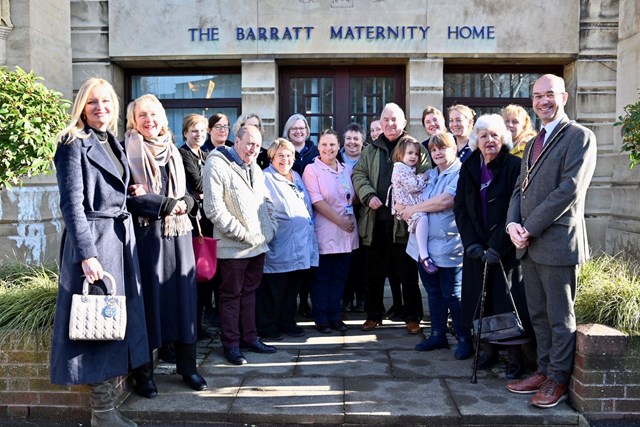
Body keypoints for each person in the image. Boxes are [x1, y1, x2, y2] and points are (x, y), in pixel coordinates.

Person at [50, 78, 149, 427]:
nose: (100, 108)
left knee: (112, 322)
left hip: (118, 241)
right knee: (96, 323)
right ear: (81, 105)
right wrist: (87, 254)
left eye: (106, 101)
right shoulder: (72, 143)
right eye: (92, 102)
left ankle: (106, 410)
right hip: (94, 243)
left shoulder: (113, 142)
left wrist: (126, 193)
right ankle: (102, 412)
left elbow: (110, 187)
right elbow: (72, 205)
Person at [505, 74, 597, 408]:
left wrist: (529, 226)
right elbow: (520, 188)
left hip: (557, 243)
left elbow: (569, 191)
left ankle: (557, 379)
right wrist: (513, 224)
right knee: (539, 315)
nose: (543, 101)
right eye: (537, 96)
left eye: (550, 95)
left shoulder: (579, 137)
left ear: (564, 97)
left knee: (560, 317)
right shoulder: (532, 142)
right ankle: (543, 370)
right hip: (528, 243)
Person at [124, 94, 207, 397]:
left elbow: (189, 195)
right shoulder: (128, 151)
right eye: (142, 115)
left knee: (184, 302)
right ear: (134, 121)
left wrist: (181, 202)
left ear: (162, 118)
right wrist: (168, 203)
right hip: (148, 240)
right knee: (149, 306)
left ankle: (189, 368)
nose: (149, 121)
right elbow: (130, 199)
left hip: (179, 236)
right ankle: (144, 374)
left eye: (154, 114)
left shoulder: (173, 150)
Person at [454, 114, 531, 380]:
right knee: (479, 301)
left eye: (494, 136)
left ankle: (514, 356)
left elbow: (518, 208)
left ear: (504, 139)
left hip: (505, 251)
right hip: (476, 249)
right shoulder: (469, 166)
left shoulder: (514, 166)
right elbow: (461, 207)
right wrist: (472, 243)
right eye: (484, 135)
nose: (489, 141)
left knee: (507, 303)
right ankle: (486, 351)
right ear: (476, 139)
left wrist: (498, 246)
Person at [202, 125, 279, 365]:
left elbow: (265, 200)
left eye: (257, 145)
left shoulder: (255, 166)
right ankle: (232, 345)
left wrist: (270, 227)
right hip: (233, 247)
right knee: (230, 297)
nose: (253, 149)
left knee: (249, 294)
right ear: (237, 141)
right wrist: (241, 234)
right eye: (249, 143)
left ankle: (250, 338)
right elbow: (213, 209)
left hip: (258, 245)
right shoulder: (216, 163)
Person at [396, 131, 473, 360]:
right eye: (434, 149)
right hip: (423, 249)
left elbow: (445, 201)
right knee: (432, 292)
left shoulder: (460, 173)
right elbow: (409, 195)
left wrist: (413, 210)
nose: (438, 153)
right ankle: (438, 334)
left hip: (448, 247)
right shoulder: (429, 174)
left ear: (454, 149)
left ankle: (464, 338)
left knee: (453, 294)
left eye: (443, 148)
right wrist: (402, 206)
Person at [352, 103, 427, 335]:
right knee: (373, 273)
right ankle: (374, 315)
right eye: (386, 120)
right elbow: (358, 174)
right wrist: (368, 195)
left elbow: (425, 175)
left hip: (404, 223)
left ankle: (412, 316)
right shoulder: (371, 149)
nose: (390, 124)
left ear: (404, 122)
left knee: (407, 274)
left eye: (395, 120)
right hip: (375, 221)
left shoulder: (414, 146)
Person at [258, 138, 319, 340]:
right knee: (274, 289)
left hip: (301, 243)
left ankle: (287, 322)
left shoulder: (297, 176)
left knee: (292, 288)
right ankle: (268, 326)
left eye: (289, 155)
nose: (285, 159)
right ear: (272, 157)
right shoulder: (266, 178)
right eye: (280, 156)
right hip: (280, 243)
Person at [302, 129, 359, 333]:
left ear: (338, 147)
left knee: (339, 278)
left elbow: (353, 196)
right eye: (325, 144)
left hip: (347, 233)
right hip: (325, 232)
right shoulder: (311, 169)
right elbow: (317, 201)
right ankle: (321, 318)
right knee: (321, 279)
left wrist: (347, 219)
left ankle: (335, 316)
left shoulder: (346, 170)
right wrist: (340, 221)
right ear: (318, 147)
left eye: (333, 145)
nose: (329, 148)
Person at [178, 113, 218, 340]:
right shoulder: (183, 154)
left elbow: (210, 186)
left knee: (206, 275)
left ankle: (200, 324)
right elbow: (199, 183)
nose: (198, 135)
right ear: (185, 132)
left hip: (207, 220)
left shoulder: (206, 154)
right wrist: (206, 189)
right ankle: (192, 326)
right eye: (194, 130)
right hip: (193, 223)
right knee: (196, 275)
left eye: (202, 131)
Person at [282, 113, 319, 317]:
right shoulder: (284, 152)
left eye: (301, 128)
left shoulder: (315, 151)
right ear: (288, 131)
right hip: (290, 215)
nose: (298, 131)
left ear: (307, 130)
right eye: (294, 128)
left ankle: (306, 300)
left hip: (315, 212)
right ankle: (291, 302)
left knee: (310, 259)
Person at [389, 136, 436, 274]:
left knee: (423, 221)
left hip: (410, 204)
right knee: (422, 219)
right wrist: (423, 177)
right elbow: (412, 186)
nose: (413, 157)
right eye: (410, 153)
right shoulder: (400, 169)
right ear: (400, 154)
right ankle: (424, 255)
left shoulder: (409, 169)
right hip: (406, 205)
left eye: (416, 154)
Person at [338, 123, 367, 312]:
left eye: (356, 139)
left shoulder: (368, 157)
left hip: (365, 213)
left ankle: (362, 298)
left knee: (362, 260)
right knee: (345, 258)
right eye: (348, 138)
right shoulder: (336, 157)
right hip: (341, 215)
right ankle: (346, 298)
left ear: (362, 141)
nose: (352, 142)